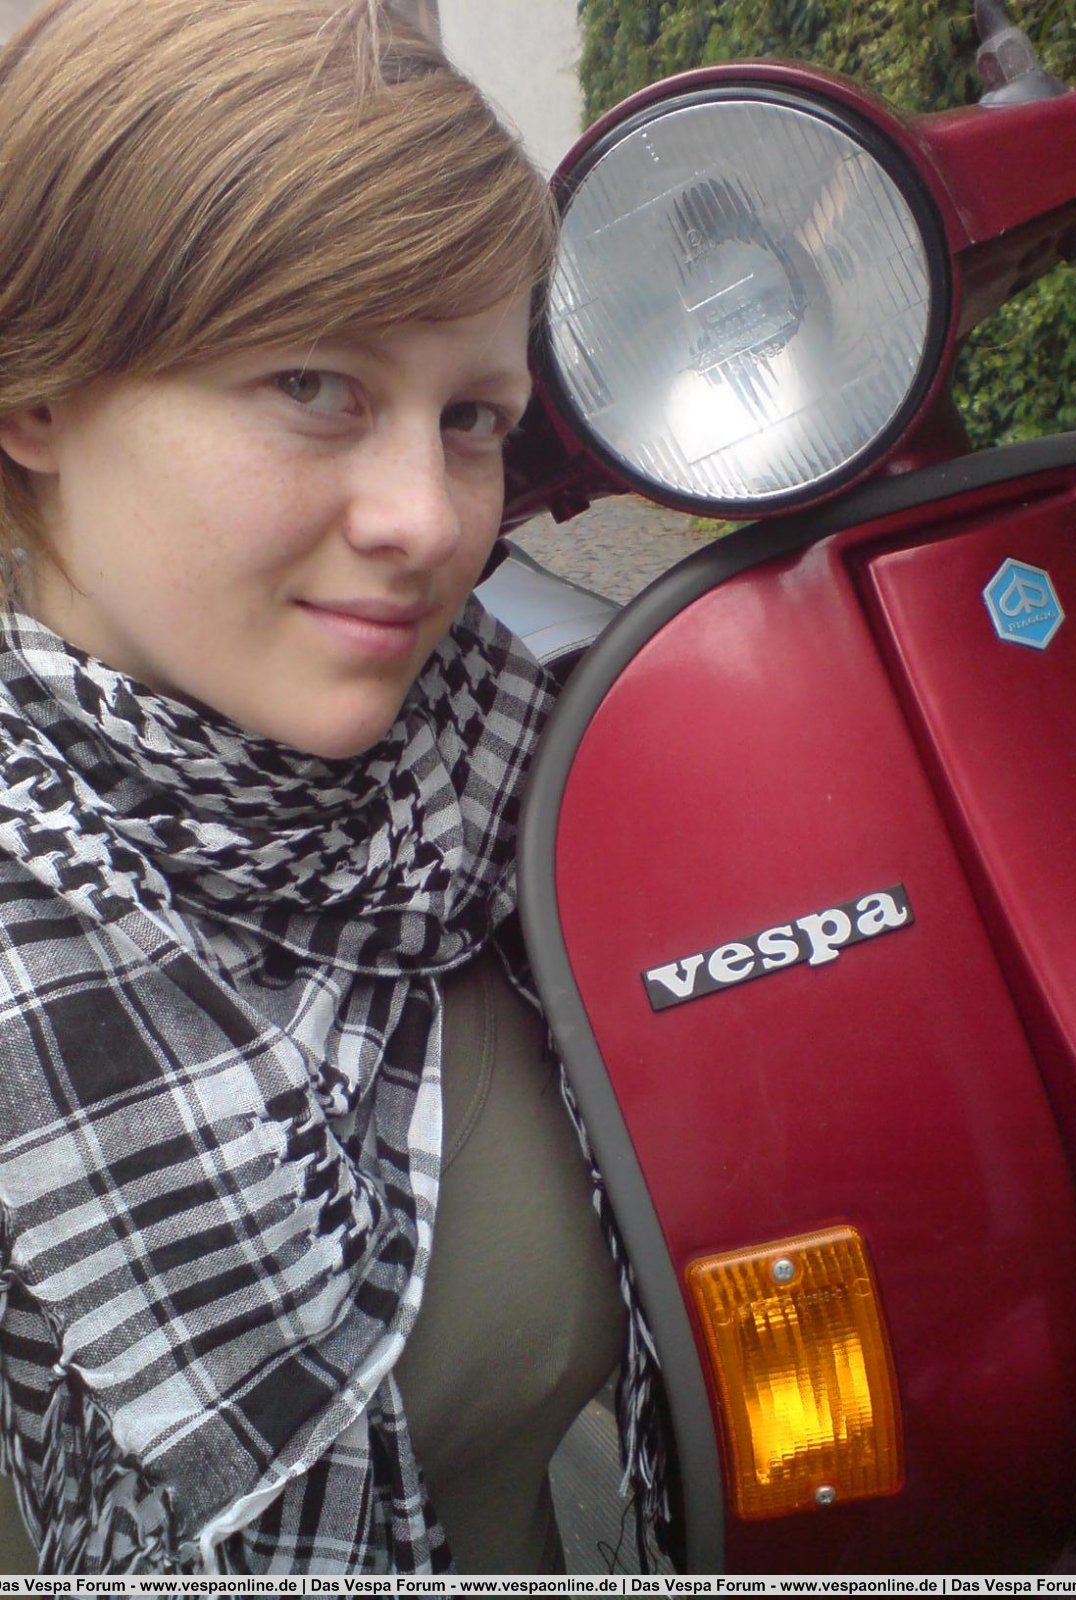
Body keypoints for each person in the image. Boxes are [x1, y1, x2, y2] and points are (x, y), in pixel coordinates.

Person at [0, 0, 632, 1573]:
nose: (432, 521)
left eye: (470, 418)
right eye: (313, 382)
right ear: (37, 398)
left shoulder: (538, 799)